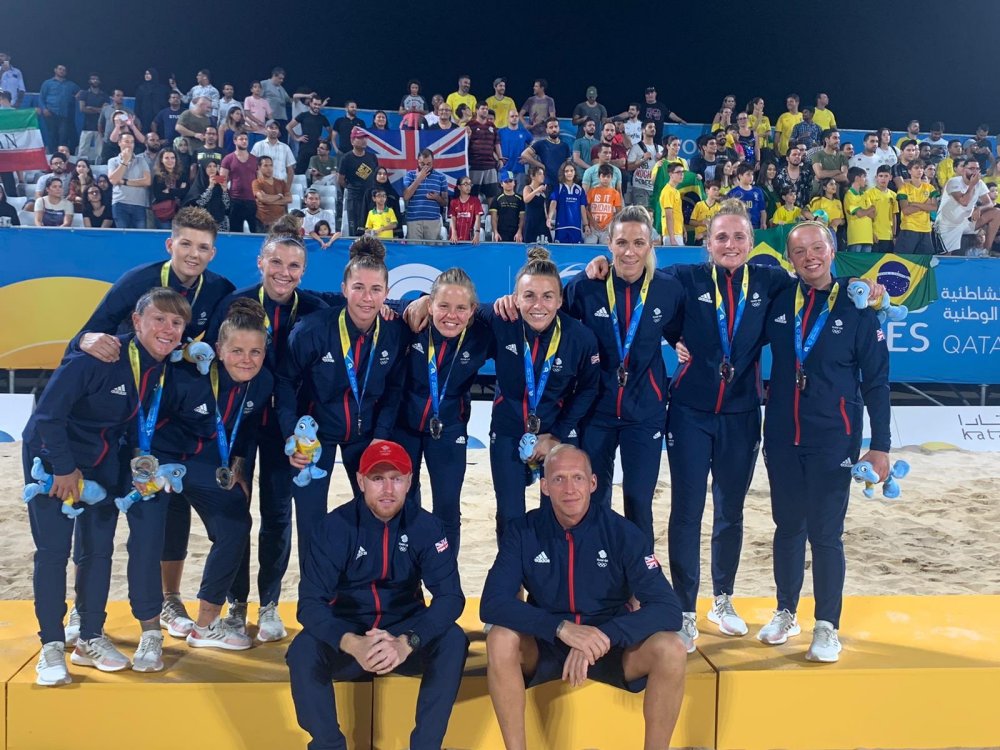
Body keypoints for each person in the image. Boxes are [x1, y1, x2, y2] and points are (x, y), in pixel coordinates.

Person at [28, 288, 193, 685]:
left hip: (102, 464)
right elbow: (48, 416)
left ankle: (89, 637)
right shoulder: (102, 355)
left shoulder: (164, 368)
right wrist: (64, 469)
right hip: (53, 458)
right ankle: (51, 645)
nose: (167, 329)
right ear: (136, 322)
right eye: (159, 319)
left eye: (176, 322)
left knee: (97, 551)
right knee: (53, 552)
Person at [480, 444, 688, 750]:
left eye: (577, 478)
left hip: (612, 647)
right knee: (499, 638)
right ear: (545, 486)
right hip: (548, 644)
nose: (569, 489)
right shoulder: (523, 531)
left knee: (672, 648)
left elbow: (669, 609)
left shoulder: (624, 534)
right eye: (559, 479)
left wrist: (603, 635)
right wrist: (562, 629)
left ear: (593, 483)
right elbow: (492, 603)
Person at [759, 221, 890, 662]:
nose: (810, 257)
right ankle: (785, 611)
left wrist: (881, 445)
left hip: (834, 439)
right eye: (800, 251)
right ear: (790, 259)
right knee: (787, 528)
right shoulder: (779, 300)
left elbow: (877, 383)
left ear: (833, 251)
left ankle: (827, 625)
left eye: (818, 248)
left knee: (826, 534)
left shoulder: (857, 307)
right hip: (780, 437)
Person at [286, 439, 468, 750]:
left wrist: (407, 641)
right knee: (303, 650)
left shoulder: (427, 527)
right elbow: (310, 605)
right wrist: (351, 642)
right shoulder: (334, 528)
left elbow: (450, 598)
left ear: (410, 482)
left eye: (396, 479)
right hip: (350, 634)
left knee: (453, 640)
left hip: (404, 634)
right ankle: (329, 745)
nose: (387, 489)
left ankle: (426, 746)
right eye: (377, 478)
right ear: (360, 481)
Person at [201, 230, 329, 641]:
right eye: (276, 262)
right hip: (236, 431)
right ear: (261, 262)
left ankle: (269, 602)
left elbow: (360, 306)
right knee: (236, 514)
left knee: (277, 516)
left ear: (304, 270)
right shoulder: (233, 305)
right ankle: (237, 605)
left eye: (294, 265)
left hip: (285, 434)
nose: (284, 272)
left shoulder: (314, 308)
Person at [276, 237, 407, 566]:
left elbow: (394, 389)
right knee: (311, 520)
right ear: (344, 288)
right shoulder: (313, 331)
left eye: (376, 289)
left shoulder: (393, 333)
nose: (367, 297)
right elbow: (286, 381)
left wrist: (381, 433)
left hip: (365, 437)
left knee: (374, 512)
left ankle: (366, 586)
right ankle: (315, 599)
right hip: (315, 437)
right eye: (359, 287)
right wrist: (291, 433)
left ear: (387, 292)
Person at [153, 299, 273, 652]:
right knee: (168, 524)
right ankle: (167, 602)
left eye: (255, 351)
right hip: (166, 462)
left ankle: (205, 623)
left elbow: (247, 427)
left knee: (236, 524)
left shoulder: (262, 382)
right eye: (237, 350)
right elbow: (149, 420)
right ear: (218, 350)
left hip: (211, 467)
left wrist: (239, 465)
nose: (246, 359)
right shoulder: (188, 378)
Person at [480, 247, 600, 537]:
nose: (538, 305)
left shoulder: (579, 338)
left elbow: (588, 388)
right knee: (509, 516)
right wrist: (424, 302)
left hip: (555, 431)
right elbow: (456, 305)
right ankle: (514, 583)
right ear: (515, 298)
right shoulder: (500, 320)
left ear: (560, 300)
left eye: (548, 296)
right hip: (508, 429)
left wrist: (557, 435)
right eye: (529, 296)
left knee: (560, 513)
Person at [394, 268, 493, 552]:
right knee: (405, 505)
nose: (452, 315)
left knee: (447, 509)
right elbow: (377, 304)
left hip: (449, 428)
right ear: (431, 304)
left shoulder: (481, 335)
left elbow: (503, 314)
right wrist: (412, 303)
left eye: (462, 308)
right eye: (443, 306)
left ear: (473, 310)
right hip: (405, 427)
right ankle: (407, 578)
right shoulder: (412, 324)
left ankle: (445, 583)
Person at [935, 157, 1000, 253]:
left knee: (997, 212)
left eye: (977, 169)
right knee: (948, 257)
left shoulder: (980, 183)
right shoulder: (953, 182)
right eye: (971, 168)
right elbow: (964, 202)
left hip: (966, 222)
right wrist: (972, 185)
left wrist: (979, 208)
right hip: (948, 224)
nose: (975, 171)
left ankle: (986, 251)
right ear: (964, 169)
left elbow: (990, 203)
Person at [338, 127, 379, 236]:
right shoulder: (346, 158)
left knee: (370, 228)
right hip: (354, 199)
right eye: (360, 138)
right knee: (355, 229)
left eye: (365, 138)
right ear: (352, 141)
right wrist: (352, 188)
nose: (364, 140)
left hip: (370, 198)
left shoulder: (372, 157)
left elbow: (376, 176)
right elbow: (341, 180)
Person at [402, 149, 448, 241]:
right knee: (414, 252)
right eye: (422, 164)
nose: (426, 167)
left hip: (433, 220)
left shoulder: (441, 177)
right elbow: (406, 196)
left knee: (432, 252)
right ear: (418, 161)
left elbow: (445, 202)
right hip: (414, 220)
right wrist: (419, 178)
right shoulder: (410, 175)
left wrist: (437, 197)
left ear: (433, 161)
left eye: (429, 164)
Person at [895, 160, 939, 254]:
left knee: (926, 261)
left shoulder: (930, 188)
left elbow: (934, 208)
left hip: (926, 229)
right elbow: (906, 210)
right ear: (910, 171)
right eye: (916, 168)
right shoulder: (904, 188)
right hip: (909, 228)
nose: (920, 170)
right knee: (904, 260)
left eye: (922, 168)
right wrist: (925, 204)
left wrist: (914, 203)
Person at [39, 64, 80, 151]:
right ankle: (52, 156)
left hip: (64, 115)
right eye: (60, 69)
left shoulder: (70, 85)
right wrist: (44, 109)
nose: (62, 71)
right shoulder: (47, 83)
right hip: (50, 113)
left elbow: (80, 93)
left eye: (64, 70)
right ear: (55, 70)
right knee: (52, 135)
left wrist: (78, 97)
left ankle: (62, 156)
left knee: (63, 136)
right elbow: (41, 98)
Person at [521, 117, 571, 189]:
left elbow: (568, 164)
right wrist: (541, 165)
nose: (554, 129)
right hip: (548, 183)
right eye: (551, 127)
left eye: (556, 127)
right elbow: (524, 154)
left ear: (559, 128)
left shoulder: (565, 145)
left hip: (563, 184)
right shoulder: (541, 144)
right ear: (547, 130)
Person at [468, 101, 503, 201]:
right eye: (482, 109)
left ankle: (493, 217)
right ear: (476, 110)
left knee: (492, 195)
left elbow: (496, 143)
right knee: (473, 195)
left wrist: (500, 158)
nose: (485, 111)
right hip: (475, 165)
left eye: (486, 109)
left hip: (490, 165)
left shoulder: (492, 126)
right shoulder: (470, 124)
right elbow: (465, 143)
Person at [548, 161, 590, 244]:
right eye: (566, 171)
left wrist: (586, 225)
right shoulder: (559, 187)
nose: (569, 173)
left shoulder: (579, 189)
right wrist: (549, 218)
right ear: (563, 173)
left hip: (576, 227)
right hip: (561, 227)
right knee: (560, 253)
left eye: (571, 170)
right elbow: (553, 203)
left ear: (575, 172)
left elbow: (582, 208)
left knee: (575, 253)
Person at [288, 95, 331, 175]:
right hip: (304, 149)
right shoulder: (303, 115)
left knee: (315, 174)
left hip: (317, 150)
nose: (317, 106)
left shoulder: (322, 118)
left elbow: (331, 132)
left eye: (319, 105)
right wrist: (296, 137)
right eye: (315, 104)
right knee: (299, 172)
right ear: (310, 103)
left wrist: (326, 140)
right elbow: (288, 126)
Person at [185, 158, 230, 231]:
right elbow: (200, 203)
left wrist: (225, 191)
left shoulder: (220, 185)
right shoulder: (199, 185)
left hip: (220, 223)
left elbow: (227, 206)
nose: (212, 169)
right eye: (209, 166)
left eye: (214, 166)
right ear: (203, 168)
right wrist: (210, 187)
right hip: (202, 223)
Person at [252, 120, 296, 188]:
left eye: (276, 128)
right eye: (271, 128)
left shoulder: (285, 148)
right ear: (266, 129)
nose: (274, 130)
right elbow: (252, 167)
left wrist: (287, 189)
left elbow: (290, 171)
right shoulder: (258, 146)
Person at [626, 122, 661, 208]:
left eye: (654, 127)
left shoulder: (660, 149)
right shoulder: (636, 147)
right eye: (650, 127)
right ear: (643, 130)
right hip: (640, 187)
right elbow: (629, 167)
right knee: (642, 215)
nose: (653, 129)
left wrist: (661, 160)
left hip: (655, 188)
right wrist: (642, 159)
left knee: (653, 216)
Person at [253, 155, 291, 233]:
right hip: (263, 223)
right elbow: (263, 199)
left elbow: (289, 199)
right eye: (266, 165)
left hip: (281, 223)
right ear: (259, 167)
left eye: (271, 165)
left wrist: (269, 200)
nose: (269, 168)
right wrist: (279, 196)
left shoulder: (281, 182)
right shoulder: (256, 183)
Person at [586, 165, 622, 245]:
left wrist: (610, 224)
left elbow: (619, 212)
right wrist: (592, 222)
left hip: (607, 228)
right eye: (603, 176)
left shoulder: (615, 193)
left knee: (605, 250)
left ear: (612, 178)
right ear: (599, 177)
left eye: (608, 176)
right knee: (588, 248)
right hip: (592, 227)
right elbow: (586, 209)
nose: (605, 179)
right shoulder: (592, 191)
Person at [361, 166, 402, 236]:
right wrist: (363, 231)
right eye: (379, 174)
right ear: (375, 175)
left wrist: (399, 232)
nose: (382, 176)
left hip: (389, 234)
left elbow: (397, 213)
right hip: (373, 234)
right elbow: (364, 211)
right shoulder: (369, 192)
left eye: (385, 174)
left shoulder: (392, 193)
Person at [76, 73, 108, 163]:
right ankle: (80, 167)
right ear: (89, 81)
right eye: (93, 79)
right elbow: (82, 109)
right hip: (86, 126)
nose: (95, 81)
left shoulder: (104, 95)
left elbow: (105, 110)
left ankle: (100, 168)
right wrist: (99, 110)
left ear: (100, 81)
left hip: (100, 127)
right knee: (82, 151)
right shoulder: (84, 94)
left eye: (97, 79)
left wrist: (91, 108)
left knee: (100, 152)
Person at [843, 167, 876, 253]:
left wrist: (866, 211)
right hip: (856, 238)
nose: (866, 179)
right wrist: (869, 209)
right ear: (857, 178)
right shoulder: (849, 195)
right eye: (864, 176)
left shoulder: (865, 194)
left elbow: (873, 214)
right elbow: (859, 213)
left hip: (868, 237)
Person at [728, 162, 768, 230]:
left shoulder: (758, 191)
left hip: (756, 227)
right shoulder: (733, 193)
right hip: (739, 227)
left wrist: (763, 223)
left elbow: (762, 210)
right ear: (740, 176)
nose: (751, 177)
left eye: (752, 174)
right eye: (748, 174)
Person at [490, 170, 525, 242]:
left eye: (510, 181)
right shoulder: (496, 199)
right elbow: (494, 218)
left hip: (516, 234)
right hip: (501, 233)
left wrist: (519, 232)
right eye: (506, 182)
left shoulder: (520, 199)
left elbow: (522, 218)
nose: (509, 183)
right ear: (501, 184)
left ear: (514, 183)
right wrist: (495, 233)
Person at [259, 68, 295, 137]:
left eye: (282, 79)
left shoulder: (281, 88)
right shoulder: (264, 84)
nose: (282, 80)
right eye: (280, 78)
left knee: (283, 140)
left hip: (282, 118)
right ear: (274, 76)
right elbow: (258, 99)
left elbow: (289, 100)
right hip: (271, 118)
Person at [449, 176, 484, 243]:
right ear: (459, 187)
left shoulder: (475, 201)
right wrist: (453, 232)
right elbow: (453, 218)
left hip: (470, 238)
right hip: (455, 238)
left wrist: (477, 234)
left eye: (470, 184)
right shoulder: (453, 202)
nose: (468, 186)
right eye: (465, 184)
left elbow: (478, 218)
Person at [658, 162, 686, 245]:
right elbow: (668, 216)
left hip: (678, 232)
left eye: (682, 172)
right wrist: (672, 238)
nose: (681, 175)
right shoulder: (668, 191)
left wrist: (683, 229)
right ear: (670, 174)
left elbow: (677, 213)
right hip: (671, 235)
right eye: (678, 172)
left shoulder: (676, 191)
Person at [522, 165, 550, 244]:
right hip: (531, 219)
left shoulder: (543, 190)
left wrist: (548, 218)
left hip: (541, 220)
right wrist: (536, 190)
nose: (542, 176)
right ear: (532, 176)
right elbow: (526, 199)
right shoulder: (527, 188)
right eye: (540, 174)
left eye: (543, 174)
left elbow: (544, 206)